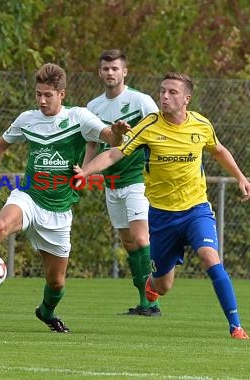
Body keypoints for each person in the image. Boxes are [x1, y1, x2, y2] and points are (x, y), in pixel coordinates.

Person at [74, 72, 250, 339]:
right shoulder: (149, 125)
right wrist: (86, 171)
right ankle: (152, 283)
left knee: (209, 257)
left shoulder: (201, 125)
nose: (165, 96)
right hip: (161, 216)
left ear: (186, 99)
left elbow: (218, 150)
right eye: (162, 91)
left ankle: (236, 325)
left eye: (172, 92)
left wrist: (241, 178)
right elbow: (115, 151)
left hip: (196, 210)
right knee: (163, 285)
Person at [0, 63, 128, 333]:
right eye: (38, 94)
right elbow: (1, 144)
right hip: (29, 197)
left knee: (56, 282)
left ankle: (46, 312)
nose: (42, 100)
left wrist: (116, 131)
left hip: (58, 211)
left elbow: (110, 138)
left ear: (62, 94)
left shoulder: (79, 118)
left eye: (48, 95)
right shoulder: (27, 119)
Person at [84, 49, 161, 316]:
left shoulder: (141, 101)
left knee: (141, 239)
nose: (110, 73)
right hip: (111, 183)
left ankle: (153, 299)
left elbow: (159, 133)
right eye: (105, 69)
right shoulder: (93, 107)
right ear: (99, 72)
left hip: (138, 179)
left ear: (124, 72)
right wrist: (84, 172)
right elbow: (91, 144)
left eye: (115, 68)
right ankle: (145, 302)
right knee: (128, 243)